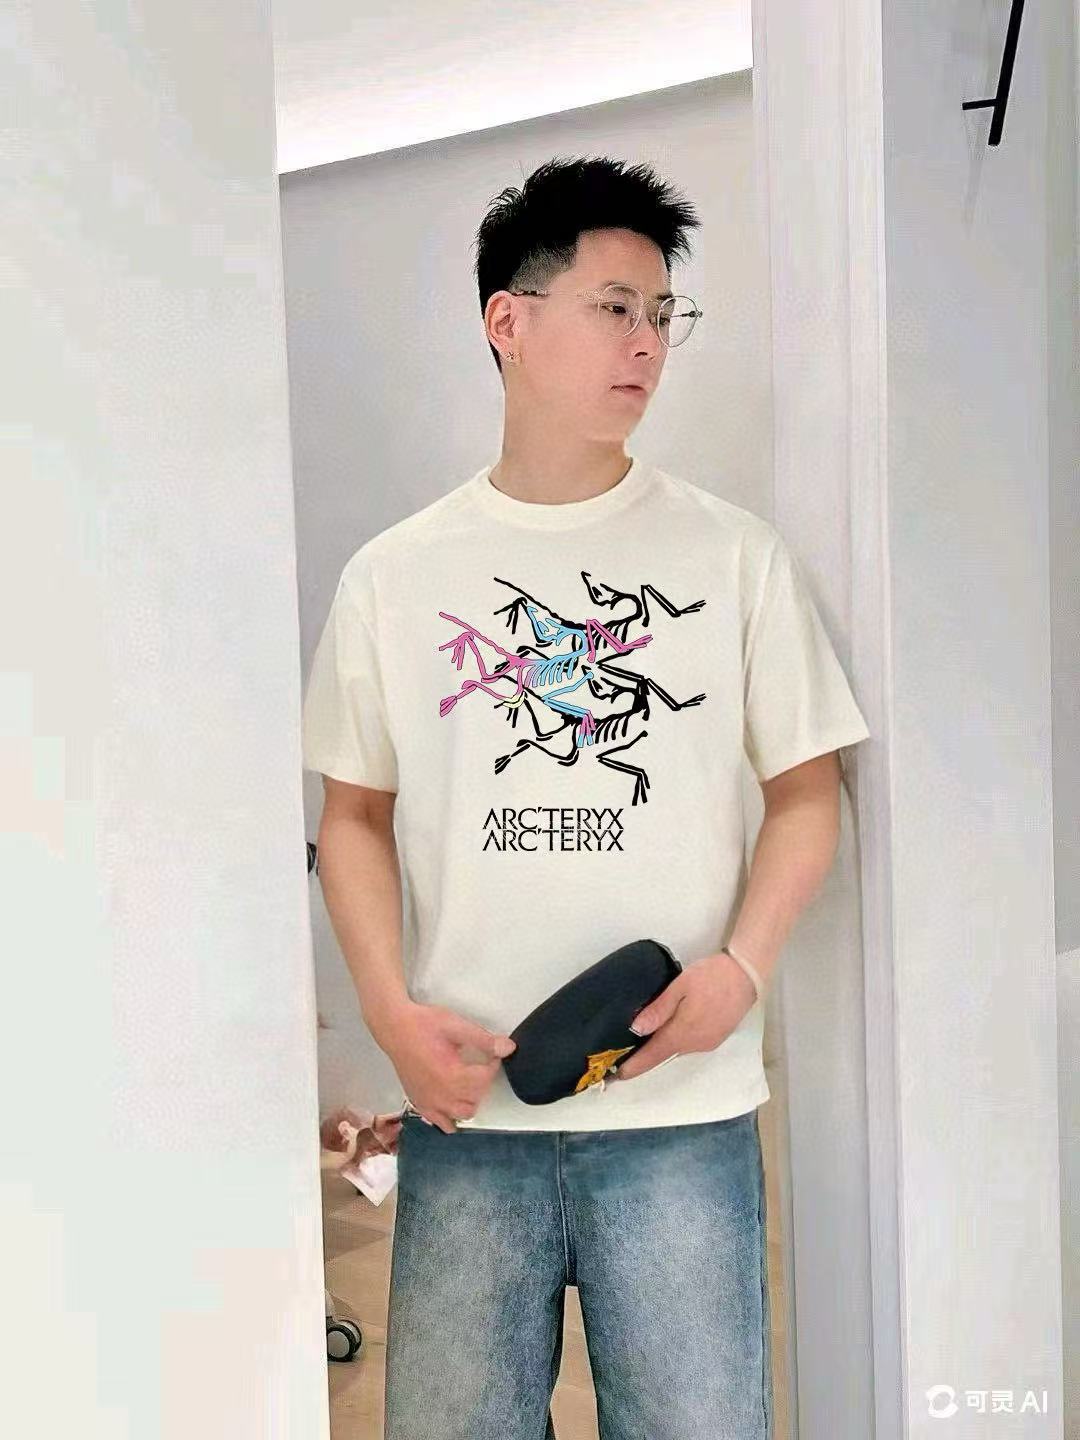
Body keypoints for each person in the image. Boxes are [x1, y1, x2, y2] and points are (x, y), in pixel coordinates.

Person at [301, 155, 870, 1440]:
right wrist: (387, 1011)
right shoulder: (394, 575)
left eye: (664, 314)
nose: (648, 344)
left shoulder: (732, 556)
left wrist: (743, 969)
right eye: (616, 307)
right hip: (468, 1111)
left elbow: (806, 791)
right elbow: (354, 817)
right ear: (509, 320)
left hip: (680, 1114)